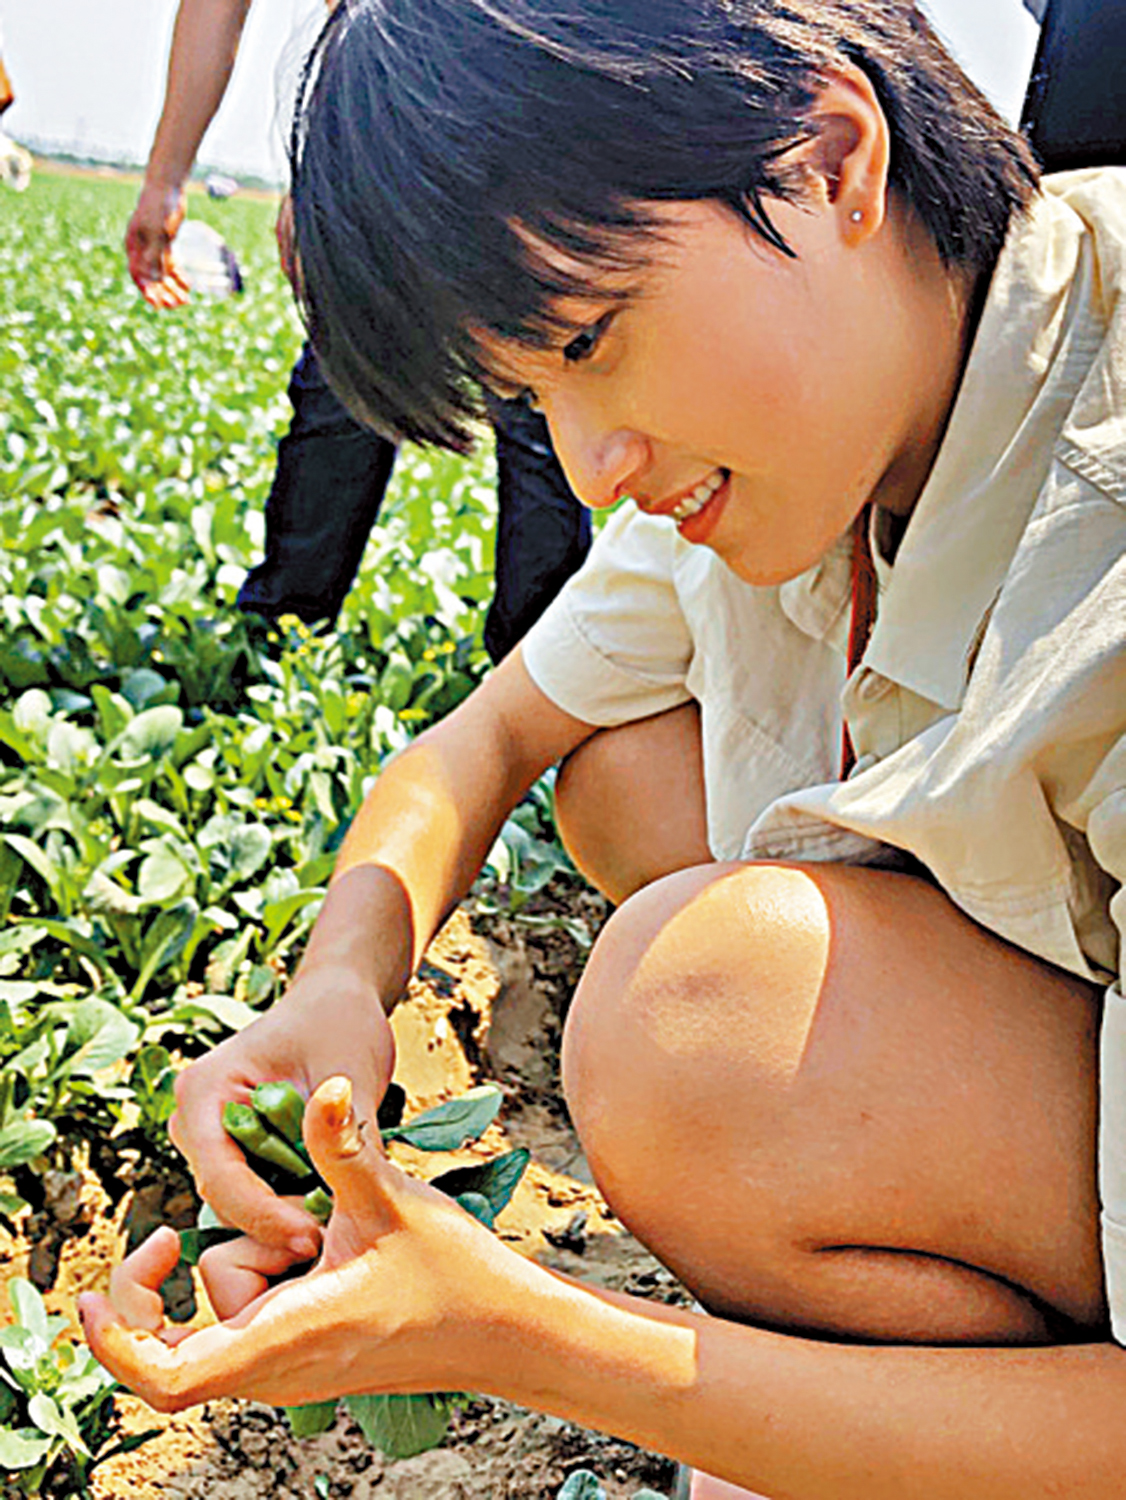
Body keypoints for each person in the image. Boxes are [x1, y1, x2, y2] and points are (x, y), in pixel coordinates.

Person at [81, 1, 1126, 1495]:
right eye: (531, 392)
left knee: (694, 1016)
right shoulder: (835, 399)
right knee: (623, 767)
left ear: (830, 153)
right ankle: (890, 1328)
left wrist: (530, 1334)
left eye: (590, 340)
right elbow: (482, 739)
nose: (588, 467)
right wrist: (336, 988)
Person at [125, 0, 588, 659]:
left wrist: (338, 152)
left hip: (514, 83)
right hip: (404, 94)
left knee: (535, 393)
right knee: (350, 384)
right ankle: (284, 640)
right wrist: (178, 179)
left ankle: (545, 680)